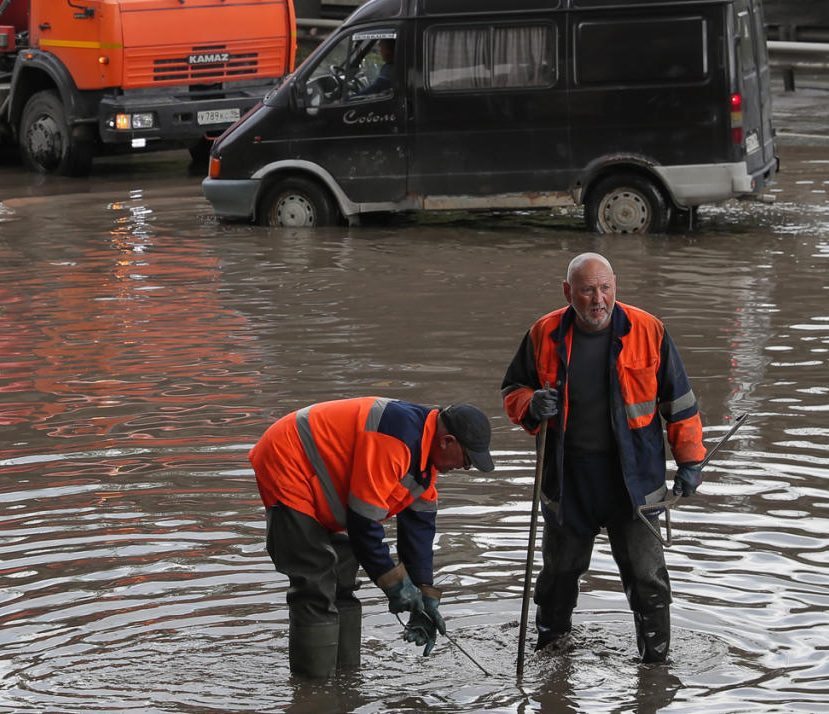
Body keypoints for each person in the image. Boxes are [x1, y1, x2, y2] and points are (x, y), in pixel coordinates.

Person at [500, 252, 706, 664]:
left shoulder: (649, 330)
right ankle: (551, 657)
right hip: (567, 479)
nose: (598, 300)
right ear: (568, 293)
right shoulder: (543, 333)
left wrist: (690, 461)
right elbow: (512, 389)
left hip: (635, 482)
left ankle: (655, 666)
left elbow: (679, 402)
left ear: (616, 286)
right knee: (558, 576)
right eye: (588, 290)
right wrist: (531, 403)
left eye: (605, 288)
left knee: (647, 577)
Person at [250, 397, 494, 678]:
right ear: (447, 441)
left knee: (342, 583)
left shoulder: (425, 463)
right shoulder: (397, 438)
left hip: (332, 482)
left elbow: (419, 531)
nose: (465, 468)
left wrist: (424, 594)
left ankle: (347, 682)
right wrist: (394, 584)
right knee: (315, 584)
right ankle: (314, 693)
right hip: (289, 460)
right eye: (467, 459)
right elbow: (364, 524)